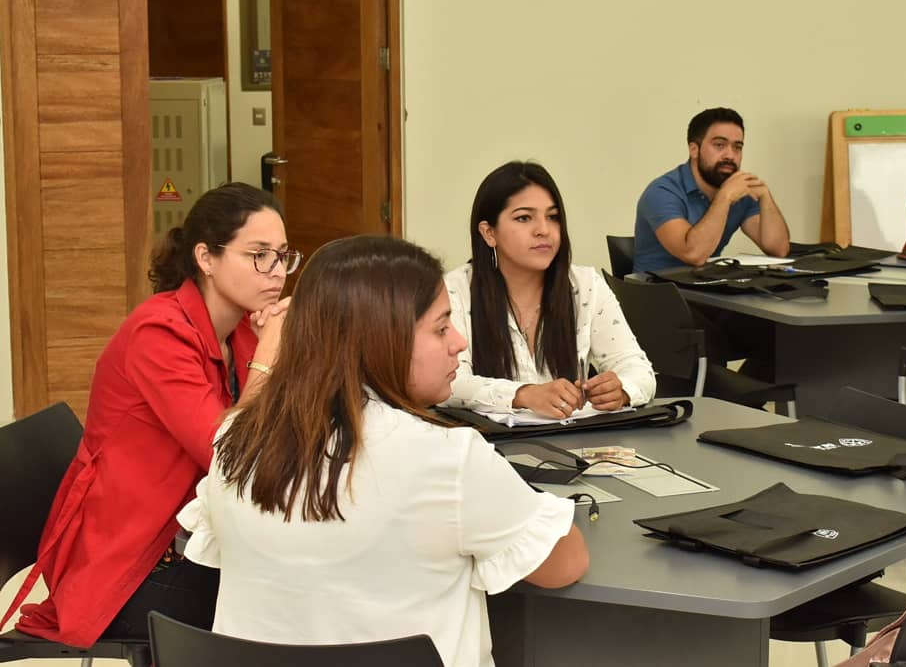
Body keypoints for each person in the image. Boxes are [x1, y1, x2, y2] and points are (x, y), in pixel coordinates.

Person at [177, 235, 588, 667]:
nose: (459, 343)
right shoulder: (448, 458)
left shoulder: (235, 442)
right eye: (441, 328)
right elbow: (565, 564)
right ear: (382, 339)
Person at [1, 183, 297, 647]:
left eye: (282, 256)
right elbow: (229, 455)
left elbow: (277, 436)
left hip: (186, 541)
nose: (276, 272)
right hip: (128, 567)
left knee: (305, 579)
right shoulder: (158, 333)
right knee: (287, 602)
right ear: (206, 258)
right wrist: (268, 360)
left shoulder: (242, 330)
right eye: (259, 255)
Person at [443, 161, 656, 419]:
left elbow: (639, 370)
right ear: (489, 233)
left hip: (574, 439)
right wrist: (524, 394)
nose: (544, 230)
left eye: (553, 217)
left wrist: (621, 390)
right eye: (524, 218)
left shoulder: (585, 285)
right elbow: (448, 384)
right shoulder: (453, 290)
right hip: (487, 440)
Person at [634, 106, 790, 274]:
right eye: (719, 145)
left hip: (706, 283)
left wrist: (765, 196)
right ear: (694, 150)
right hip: (657, 287)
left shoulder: (739, 192)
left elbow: (778, 249)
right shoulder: (662, 192)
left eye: (737, 147)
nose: (730, 155)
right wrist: (724, 197)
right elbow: (693, 254)